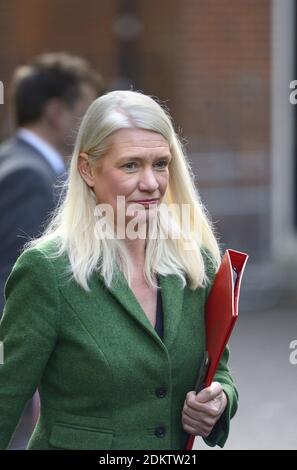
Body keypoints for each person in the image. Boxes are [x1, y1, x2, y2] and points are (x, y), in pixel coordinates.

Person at [0, 90, 238, 450]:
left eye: (160, 163)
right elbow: (6, 395)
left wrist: (219, 402)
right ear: (87, 169)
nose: (151, 182)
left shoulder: (195, 262)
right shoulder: (47, 271)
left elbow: (218, 371)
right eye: (131, 165)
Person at [0, 52, 105, 315]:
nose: (93, 126)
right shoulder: (30, 176)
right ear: (56, 112)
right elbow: (15, 279)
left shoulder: (13, 159)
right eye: (86, 113)